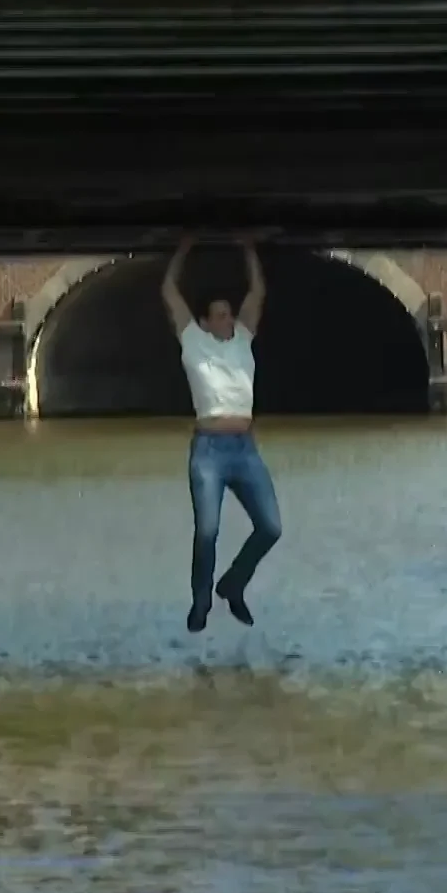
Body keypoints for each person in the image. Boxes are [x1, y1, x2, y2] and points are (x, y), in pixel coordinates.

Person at [161, 234, 284, 633]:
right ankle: (201, 600)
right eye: (219, 315)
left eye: (229, 314)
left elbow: (257, 292)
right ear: (204, 322)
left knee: (271, 527)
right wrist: (183, 248)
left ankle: (233, 584)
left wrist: (248, 249)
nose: (228, 320)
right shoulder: (194, 342)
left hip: (245, 449)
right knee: (208, 531)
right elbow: (169, 291)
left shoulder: (243, 338)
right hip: (209, 452)